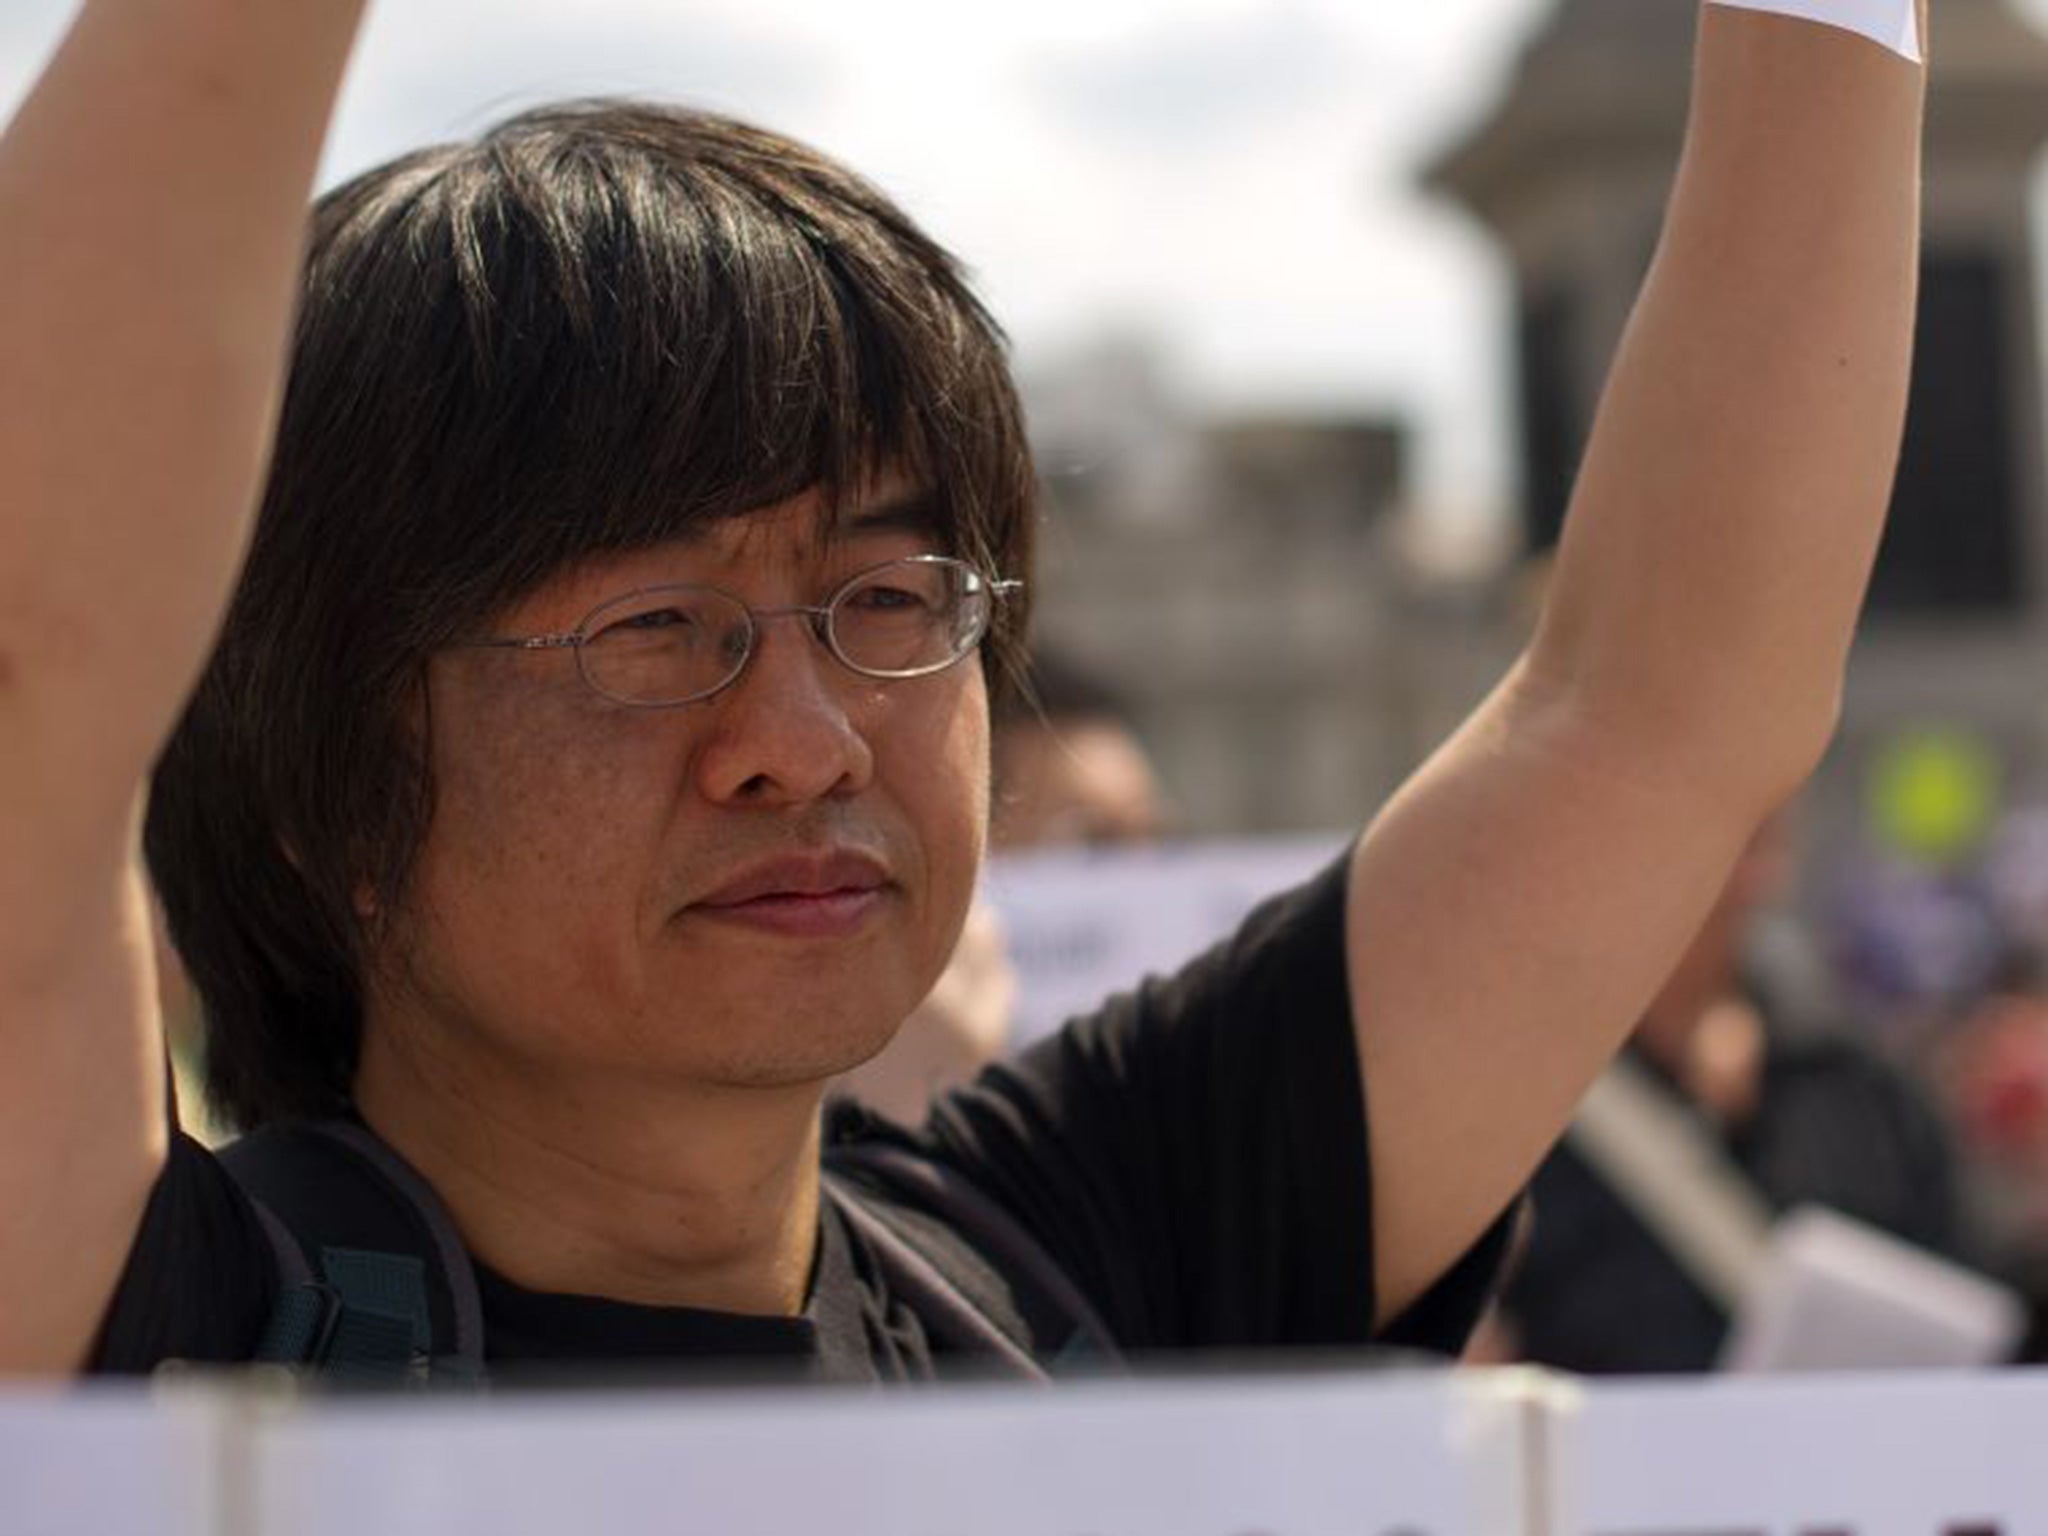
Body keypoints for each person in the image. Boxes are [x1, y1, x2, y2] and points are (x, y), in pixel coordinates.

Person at [0, 0, 1927, 1380]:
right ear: (311, 778)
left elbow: (1659, 714)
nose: (805, 740)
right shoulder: (153, 1324)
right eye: (653, 629)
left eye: (885, 597)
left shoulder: (1072, 1265)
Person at [1485, 818, 1970, 1373]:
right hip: (1608, 1457)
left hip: (1838, 1453)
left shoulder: (1862, 1091)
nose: (1725, 874)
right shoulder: (1520, 1102)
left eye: (1754, 838)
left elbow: (1964, 1303)